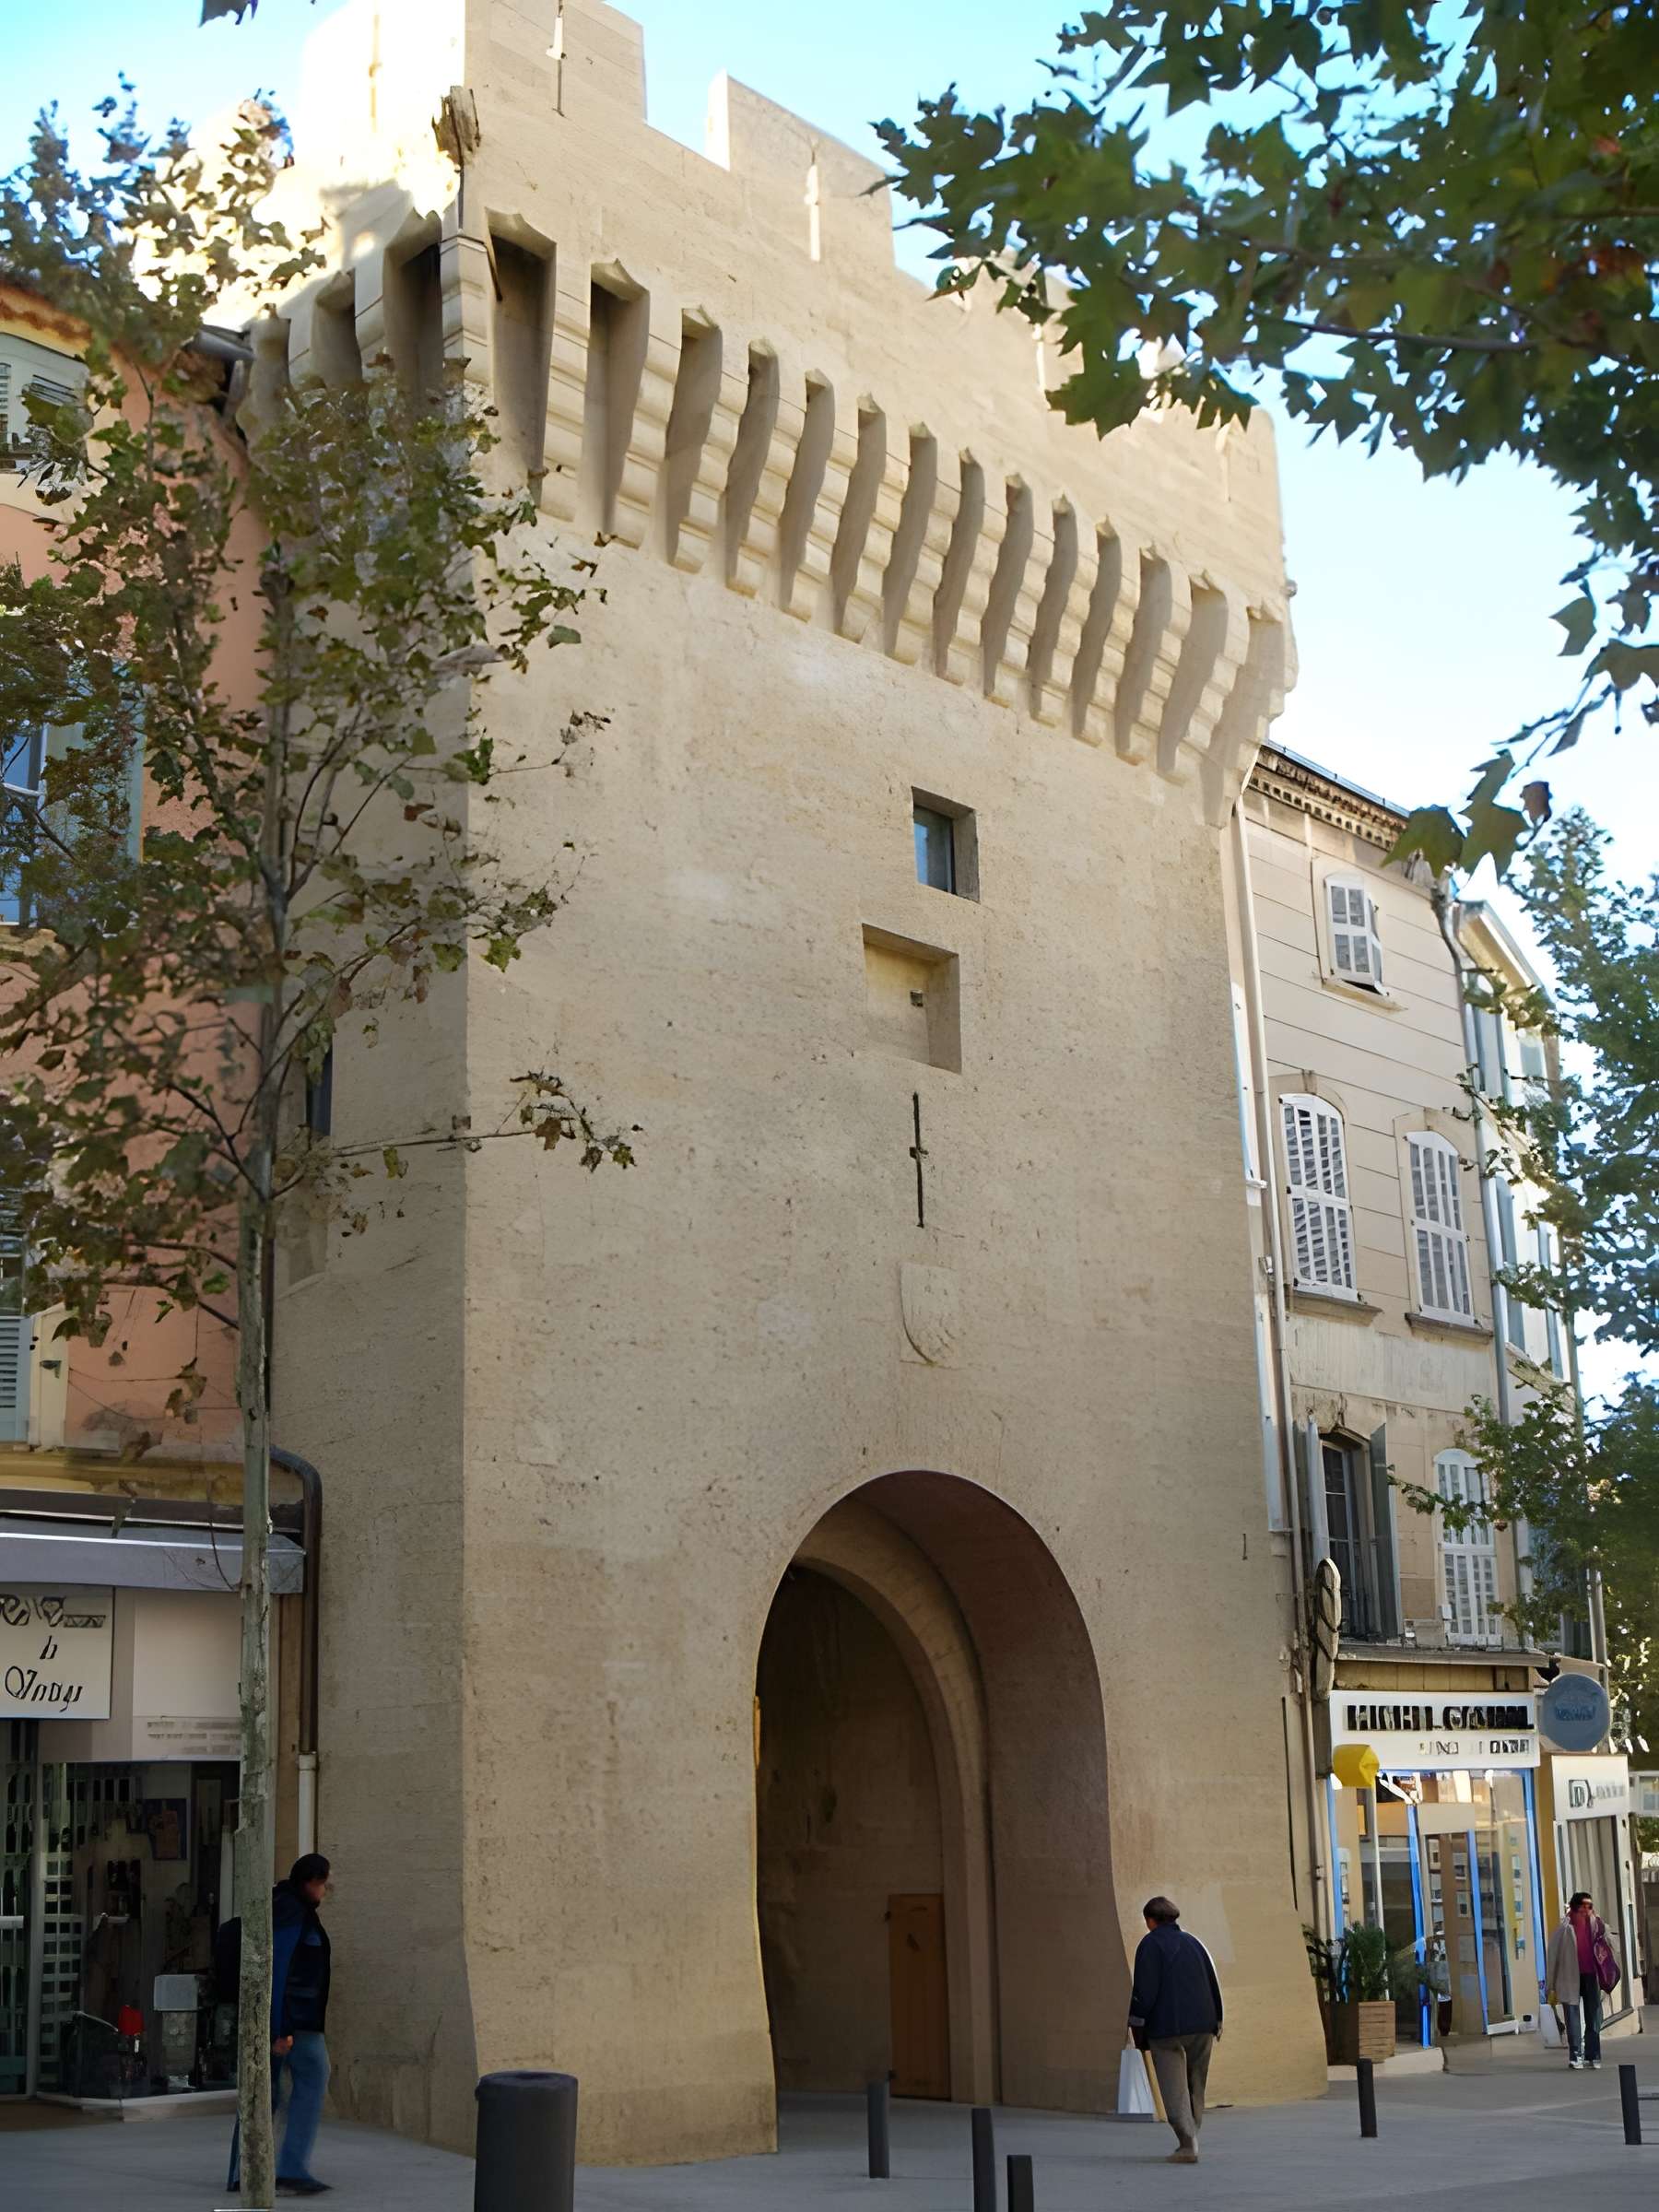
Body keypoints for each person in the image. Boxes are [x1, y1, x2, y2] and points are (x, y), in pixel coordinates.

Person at [227, 1853, 335, 2197]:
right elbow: (278, 1969)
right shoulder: (290, 1911)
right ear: (312, 1882)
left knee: (266, 2092)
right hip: (293, 2024)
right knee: (292, 2084)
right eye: (324, 1883)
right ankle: (286, 2167)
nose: (326, 1890)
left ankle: (246, 2170)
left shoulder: (290, 1907)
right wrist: (279, 2029)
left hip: (292, 2022)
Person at [1127, 1895, 1223, 2165]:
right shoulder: (1195, 1944)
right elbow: (1212, 1979)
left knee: (1173, 2086)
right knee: (1196, 2083)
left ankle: (1187, 2143)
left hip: (1166, 2027)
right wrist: (1217, 2019)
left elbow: (1144, 1990)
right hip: (1204, 2024)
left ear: (1150, 1921)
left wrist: (1135, 2021)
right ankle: (1193, 2133)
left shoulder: (1150, 1945)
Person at [1547, 1888, 1617, 2073]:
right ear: (1573, 1909)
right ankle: (1575, 2054)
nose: (1587, 1911)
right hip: (1569, 1978)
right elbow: (1552, 1957)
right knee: (1572, 2018)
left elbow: (1613, 1947)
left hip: (1591, 1976)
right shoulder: (1563, 1930)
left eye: (1590, 1906)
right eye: (1582, 1907)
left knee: (1594, 2018)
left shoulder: (1598, 1926)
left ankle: (1593, 2055)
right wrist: (1551, 1985)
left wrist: (1606, 1939)